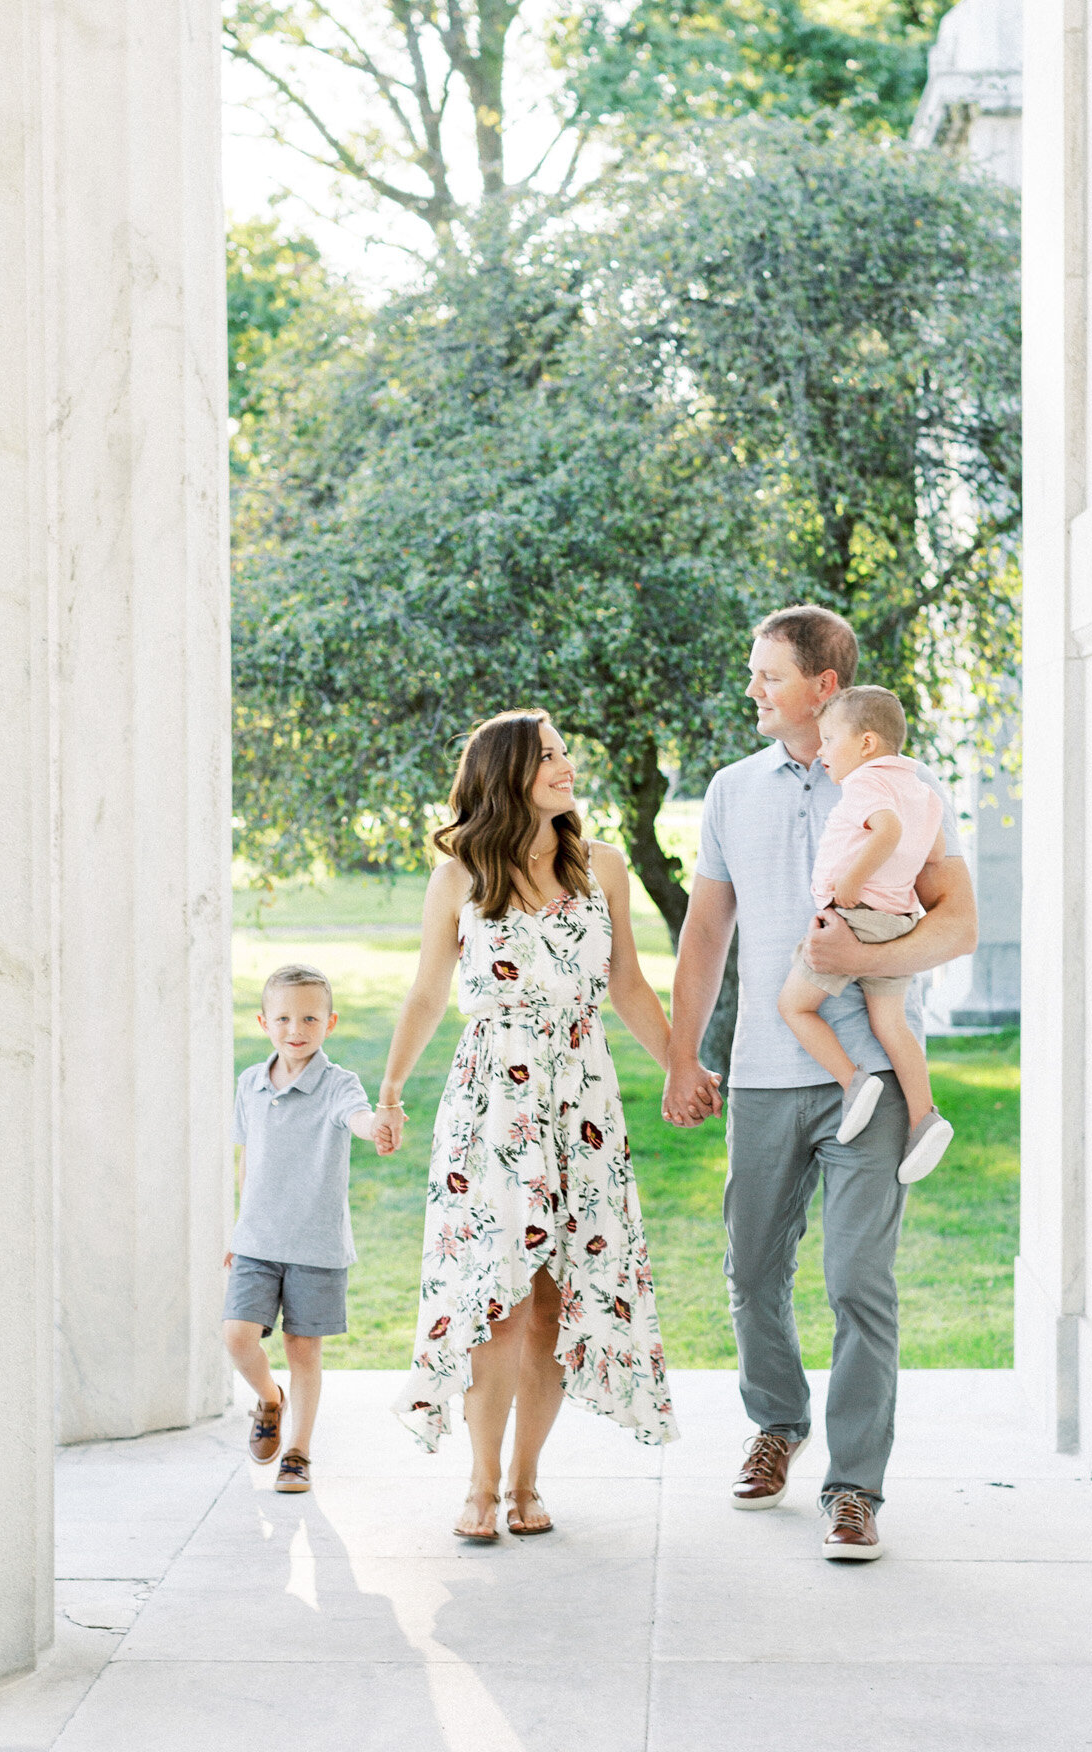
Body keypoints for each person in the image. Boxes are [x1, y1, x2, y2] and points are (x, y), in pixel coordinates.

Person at [662, 606, 977, 1561]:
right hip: (763, 1069)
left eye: (768, 675)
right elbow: (707, 931)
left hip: (870, 1077)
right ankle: (778, 1423)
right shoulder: (729, 790)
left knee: (857, 1284)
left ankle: (855, 1488)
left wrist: (864, 949)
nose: (753, 689)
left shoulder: (910, 791)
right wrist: (684, 1053)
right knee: (753, 1272)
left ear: (824, 688)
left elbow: (958, 926)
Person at [378, 709, 678, 1542]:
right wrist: (393, 1090)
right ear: (506, 772)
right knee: (499, 1296)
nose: (566, 764)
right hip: (492, 1102)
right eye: (547, 755)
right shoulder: (461, 877)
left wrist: (679, 1067)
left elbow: (629, 989)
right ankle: (477, 1486)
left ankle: (525, 1483)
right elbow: (426, 995)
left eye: (564, 751)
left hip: (582, 1095)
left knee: (553, 1299)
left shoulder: (603, 868)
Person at [777, 684, 955, 1184]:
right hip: (895, 921)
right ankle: (924, 1117)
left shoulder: (867, 782)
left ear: (868, 743)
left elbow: (889, 831)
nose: (822, 752)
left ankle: (854, 1082)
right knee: (891, 1025)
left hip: (854, 915)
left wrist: (851, 882)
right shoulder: (923, 788)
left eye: (830, 740)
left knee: (794, 1006)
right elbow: (934, 852)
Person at [222, 964, 387, 1495]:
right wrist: (238, 1226)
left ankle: (298, 1452)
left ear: (330, 1022)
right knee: (237, 1337)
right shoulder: (249, 1081)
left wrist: (376, 1126)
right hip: (256, 1241)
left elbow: (357, 1118)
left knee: (303, 1349)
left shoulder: (340, 1084)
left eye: (310, 1018)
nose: (297, 1028)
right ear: (263, 1021)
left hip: (316, 1245)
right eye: (285, 1017)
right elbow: (249, 1158)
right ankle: (270, 1400)